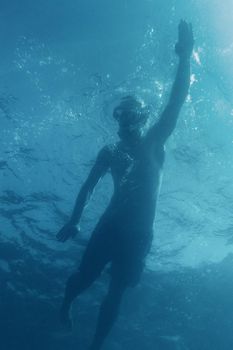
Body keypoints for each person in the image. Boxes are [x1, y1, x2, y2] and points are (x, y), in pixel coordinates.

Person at [56, 20, 194, 350]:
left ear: (141, 117)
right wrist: (75, 219)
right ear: (118, 119)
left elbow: (175, 103)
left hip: (139, 235)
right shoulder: (110, 150)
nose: (124, 120)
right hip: (109, 226)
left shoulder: (153, 142)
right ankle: (66, 302)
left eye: (130, 114)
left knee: (116, 292)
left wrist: (186, 57)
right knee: (84, 279)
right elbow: (89, 185)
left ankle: (96, 346)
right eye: (120, 115)